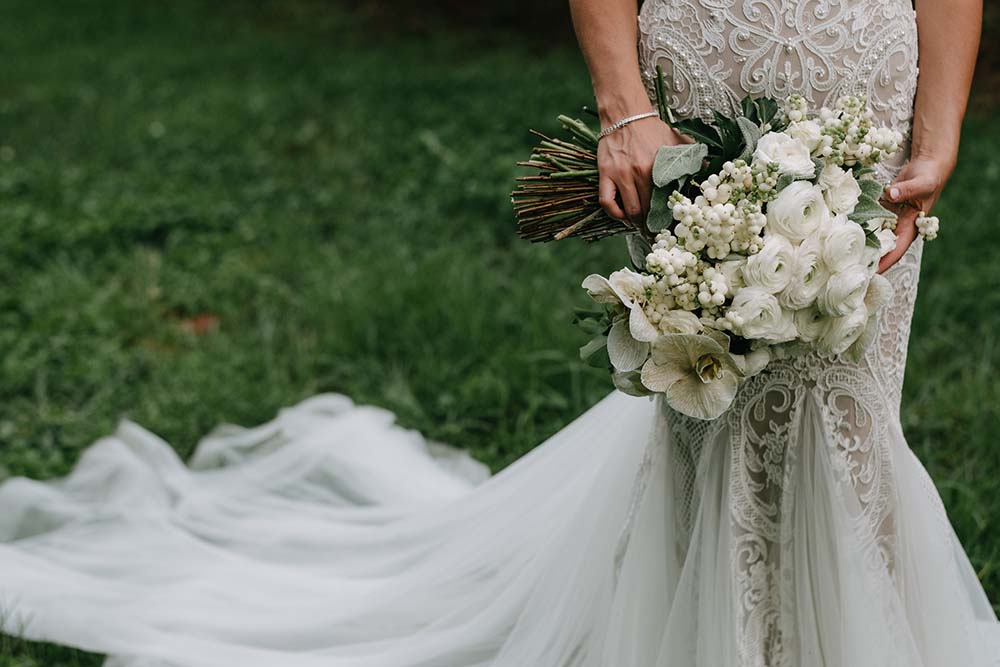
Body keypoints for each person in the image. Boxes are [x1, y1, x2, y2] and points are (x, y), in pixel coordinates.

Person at [1, 1, 995, 665]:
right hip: (708, 52)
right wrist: (623, 105)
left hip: (866, 72)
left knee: (846, 384)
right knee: (714, 370)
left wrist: (941, 125)